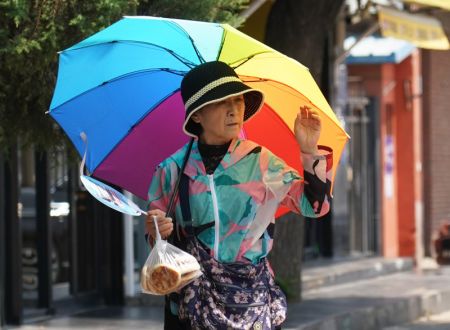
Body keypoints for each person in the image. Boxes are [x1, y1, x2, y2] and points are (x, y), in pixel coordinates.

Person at [146, 61, 333, 329]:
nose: (234, 109)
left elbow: (315, 206)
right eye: (222, 102)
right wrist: (156, 230)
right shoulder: (172, 169)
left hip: (252, 302)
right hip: (190, 303)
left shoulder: (260, 161)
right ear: (197, 116)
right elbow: (156, 240)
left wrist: (309, 150)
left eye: (238, 99)